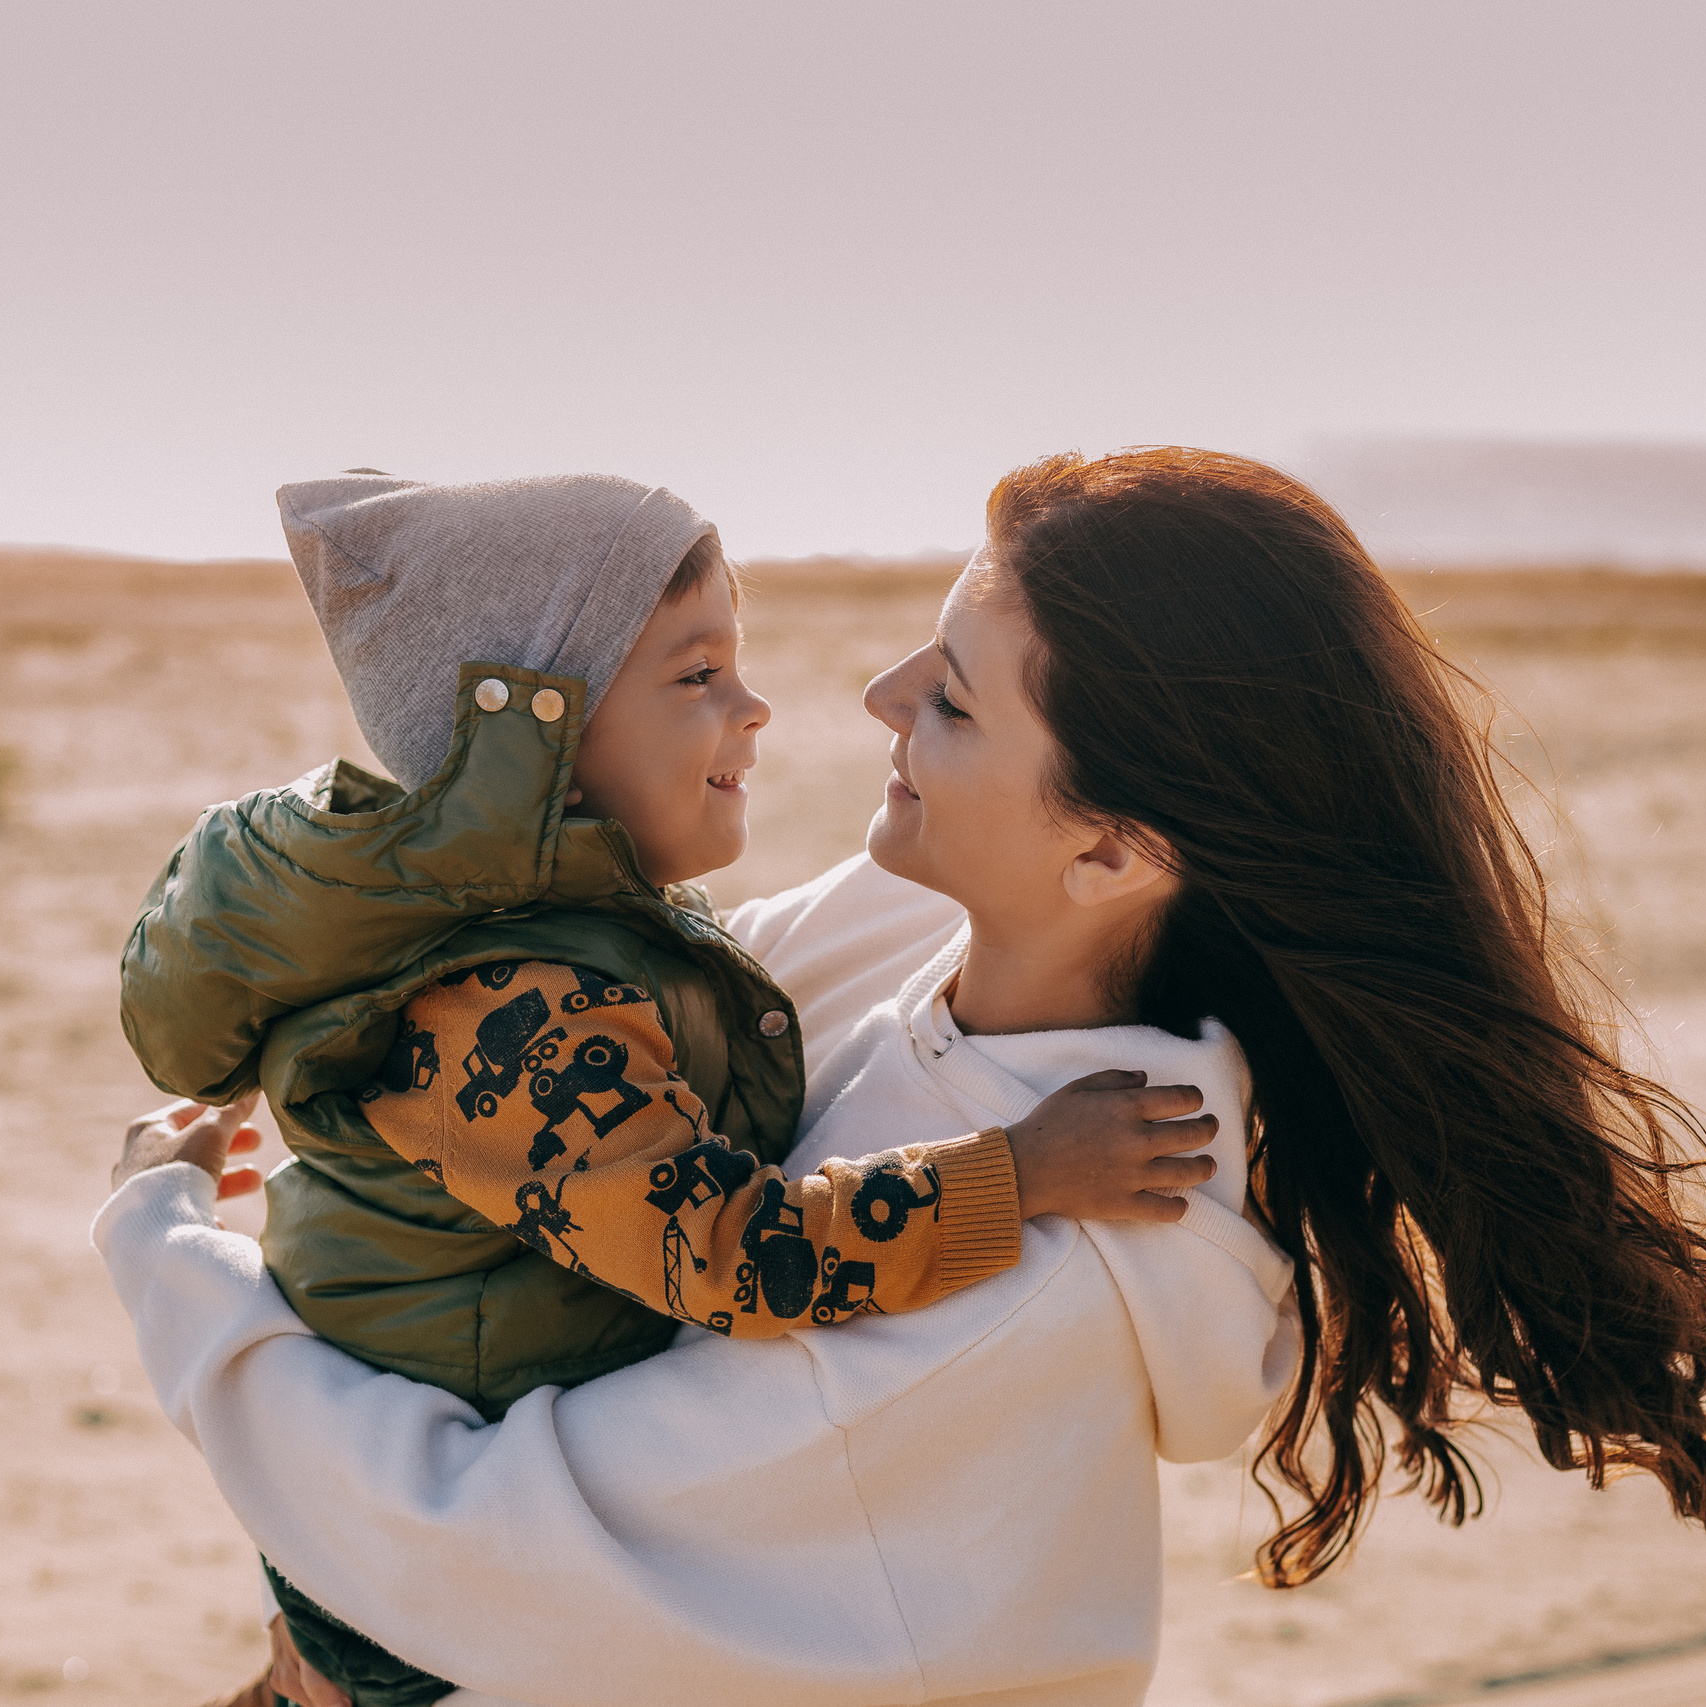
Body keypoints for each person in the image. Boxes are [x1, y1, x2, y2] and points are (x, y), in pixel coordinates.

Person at [101, 448, 1706, 1707]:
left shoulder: (1009, 1289)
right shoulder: (914, 951)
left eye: (959, 703)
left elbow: (461, 1539)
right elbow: (603, 991)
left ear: (1115, 853)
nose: (872, 696)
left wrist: (170, 1257)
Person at [120, 471, 1212, 1703]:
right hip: (420, 1640)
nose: (755, 709)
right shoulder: (510, 1019)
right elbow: (739, 1257)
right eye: (697, 678)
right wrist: (1016, 1175)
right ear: (530, 747)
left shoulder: (592, 935)